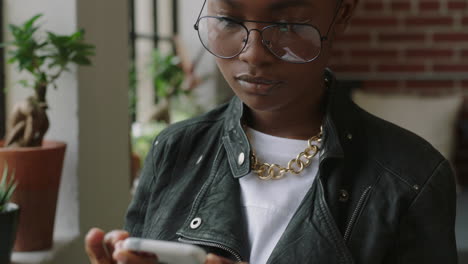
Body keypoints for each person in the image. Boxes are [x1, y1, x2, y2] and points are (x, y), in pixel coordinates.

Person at [85, 0, 458, 263]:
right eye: (229, 22)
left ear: (341, 14)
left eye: (288, 25)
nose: (254, 54)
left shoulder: (411, 178)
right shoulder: (175, 149)